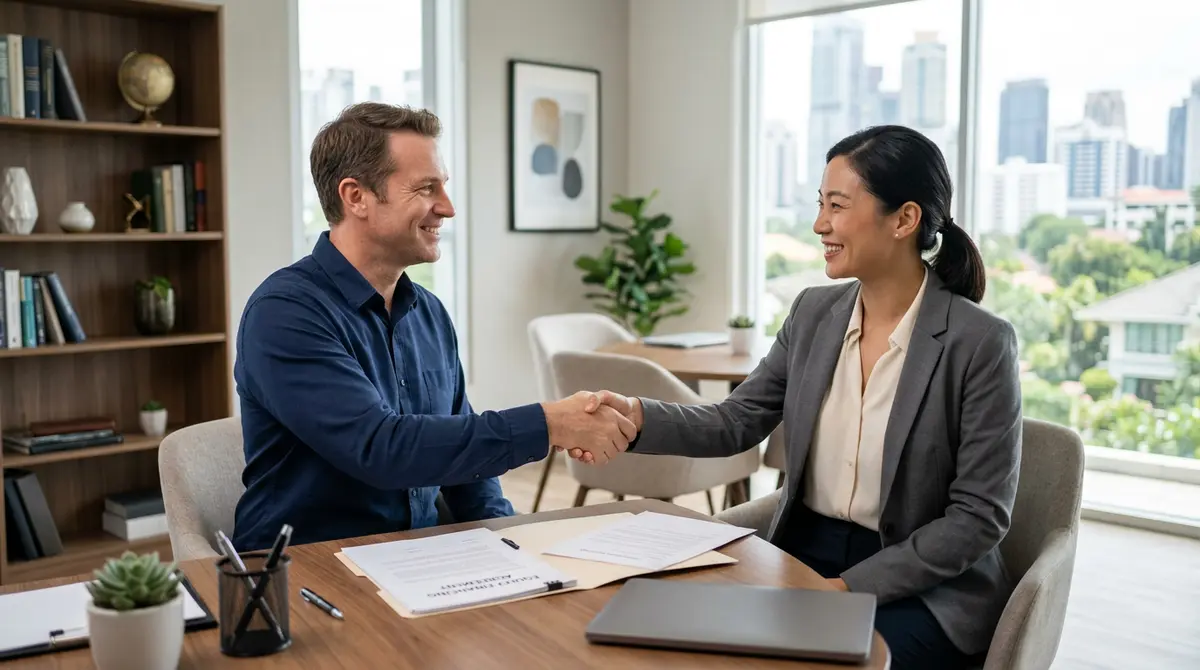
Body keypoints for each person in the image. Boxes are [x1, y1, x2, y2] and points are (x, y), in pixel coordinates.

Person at [578, 125, 1020, 669]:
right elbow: (737, 420)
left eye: (837, 205)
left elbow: (977, 518)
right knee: (670, 634)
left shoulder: (979, 342)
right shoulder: (814, 313)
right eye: (820, 204)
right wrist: (638, 417)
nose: (819, 225)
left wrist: (845, 589)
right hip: (803, 551)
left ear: (905, 219)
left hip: (922, 585)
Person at [231, 102, 631, 552]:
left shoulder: (429, 313)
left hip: (414, 560)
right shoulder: (285, 312)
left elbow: (464, 463)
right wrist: (547, 423)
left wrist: (513, 545)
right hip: (305, 572)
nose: (447, 207)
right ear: (355, 196)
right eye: (425, 188)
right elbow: (381, 449)